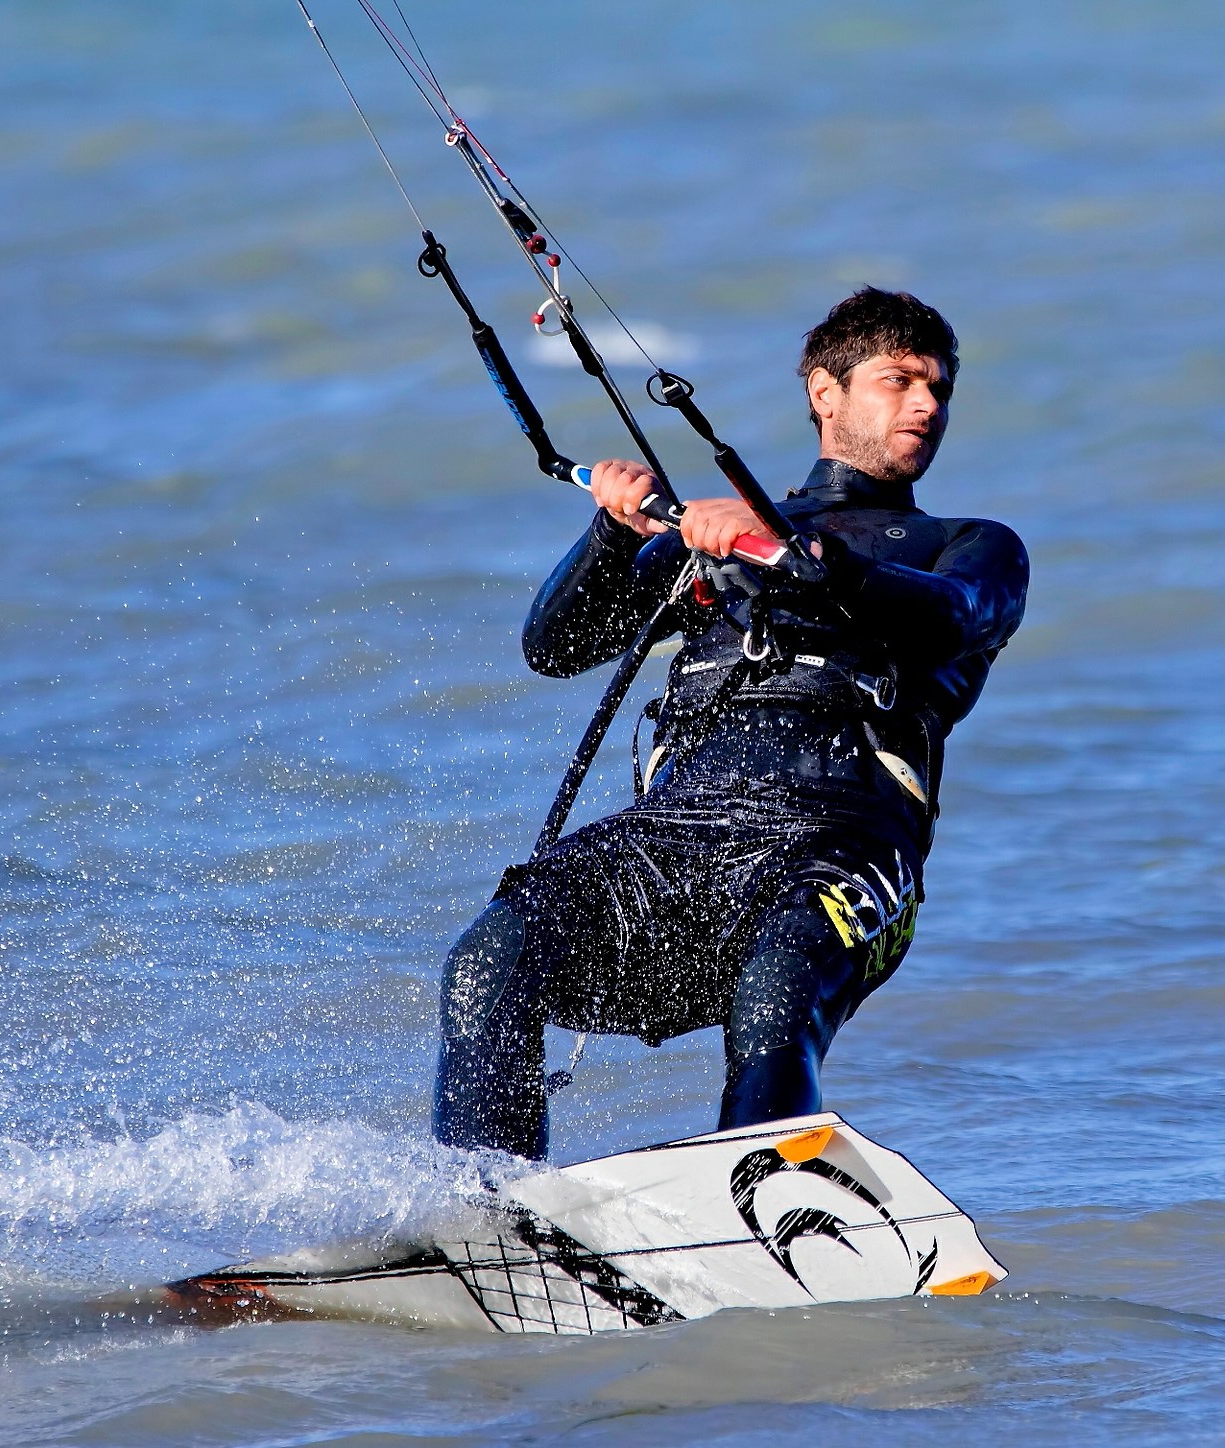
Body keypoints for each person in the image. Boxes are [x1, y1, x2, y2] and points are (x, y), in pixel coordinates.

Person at [431, 288, 1028, 1159]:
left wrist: (797, 551)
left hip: (844, 843)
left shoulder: (969, 545)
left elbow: (951, 616)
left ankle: (760, 1207)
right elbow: (554, 649)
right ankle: (484, 1214)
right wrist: (613, 531)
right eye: (898, 381)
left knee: (777, 993)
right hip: (680, 831)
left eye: (938, 388)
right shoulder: (711, 540)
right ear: (826, 392)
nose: (928, 404)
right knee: (489, 960)